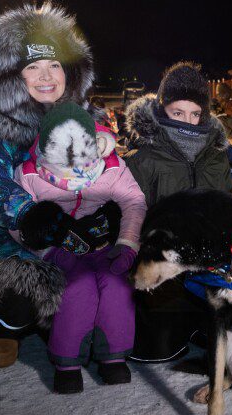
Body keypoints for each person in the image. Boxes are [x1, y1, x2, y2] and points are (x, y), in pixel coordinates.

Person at [0, 2, 112, 369]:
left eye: (54, 64)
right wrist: (34, 216)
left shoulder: (91, 122)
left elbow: (112, 176)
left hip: (80, 236)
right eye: (33, 66)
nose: (47, 76)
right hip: (13, 239)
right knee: (21, 281)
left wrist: (110, 211)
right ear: (13, 76)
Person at [13, 103, 146, 393]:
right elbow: (17, 218)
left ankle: (112, 355)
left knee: (116, 284)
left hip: (99, 240)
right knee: (78, 287)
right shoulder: (29, 174)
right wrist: (40, 245)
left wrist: (126, 243)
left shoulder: (111, 167)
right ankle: (67, 361)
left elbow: (133, 201)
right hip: (58, 244)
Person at [123, 61, 232, 362]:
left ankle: (199, 319)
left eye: (195, 114)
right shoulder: (142, 157)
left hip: (207, 265)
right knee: (158, 347)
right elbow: (129, 221)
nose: (188, 121)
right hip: (163, 266)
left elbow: (229, 207)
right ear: (162, 111)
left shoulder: (217, 156)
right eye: (178, 113)